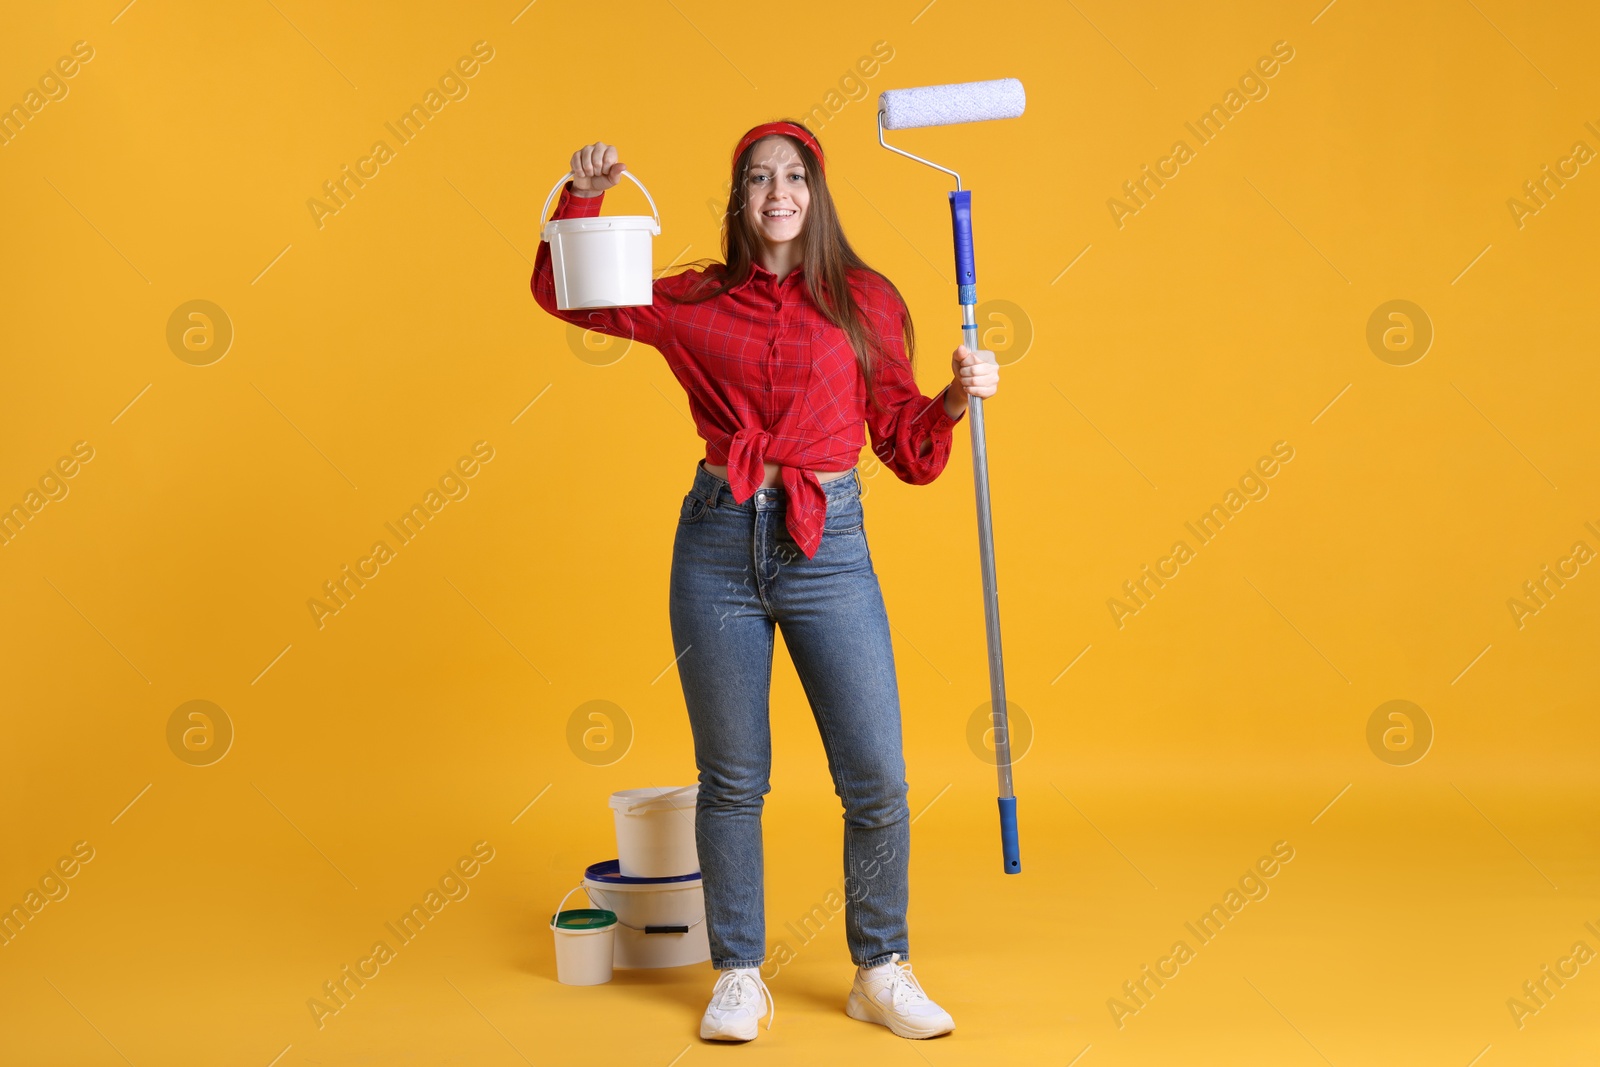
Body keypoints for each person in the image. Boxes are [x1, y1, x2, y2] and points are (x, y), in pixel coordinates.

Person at [530, 119, 999, 1043]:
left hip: (830, 549)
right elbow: (569, 295)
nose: (776, 192)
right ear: (739, 199)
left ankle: (880, 966)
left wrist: (954, 394)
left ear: (817, 193)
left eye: (793, 177)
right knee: (733, 778)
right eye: (757, 179)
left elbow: (905, 445)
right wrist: (585, 197)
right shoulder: (697, 300)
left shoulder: (867, 302)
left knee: (875, 777)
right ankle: (739, 972)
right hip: (716, 545)